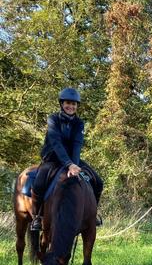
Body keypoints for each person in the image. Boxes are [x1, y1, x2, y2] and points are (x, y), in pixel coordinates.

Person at [30, 88, 103, 231]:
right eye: (68, 103)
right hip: (52, 157)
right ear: (62, 104)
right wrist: (69, 164)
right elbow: (56, 143)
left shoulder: (79, 123)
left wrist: (74, 165)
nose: (71, 106)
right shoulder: (53, 119)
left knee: (98, 182)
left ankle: (93, 214)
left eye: (74, 104)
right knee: (39, 182)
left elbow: (77, 144)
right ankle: (37, 216)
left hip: (73, 159)